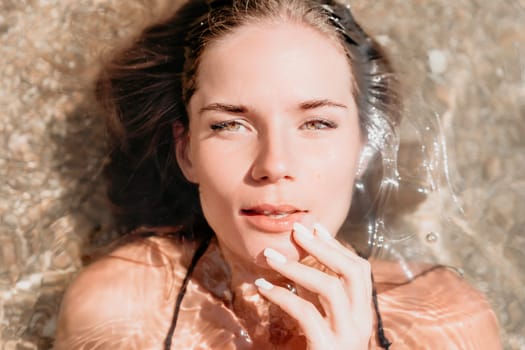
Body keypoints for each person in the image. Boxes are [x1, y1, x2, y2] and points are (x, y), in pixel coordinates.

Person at [53, 0, 501, 349]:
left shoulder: (448, 319)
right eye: (229, 124)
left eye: (317, 123)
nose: (274, 165)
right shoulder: (117, 307)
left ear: (365, 147)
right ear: (186, 151)